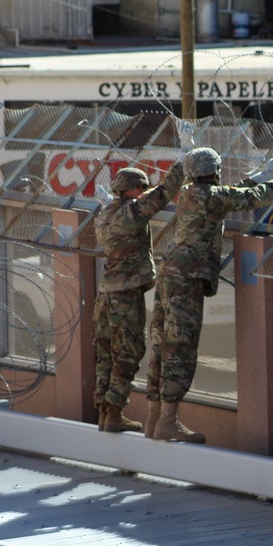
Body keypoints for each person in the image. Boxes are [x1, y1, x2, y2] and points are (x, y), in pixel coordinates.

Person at [144, 147, 273, 442]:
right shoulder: (212, 196)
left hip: (171, 272)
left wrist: (262, 174)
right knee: (180, 347)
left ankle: (154, 419)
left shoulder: (191, 192)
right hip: (188, 278)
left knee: (162, 344)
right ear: (214, 171)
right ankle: (168, 421)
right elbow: (252, 198)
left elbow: (234, 191)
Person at [93, 163, 185, 432]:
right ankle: (114, 413)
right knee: (129, 352)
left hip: (105, 294)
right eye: (142, 188)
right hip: (125, 294)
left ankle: (104, 412)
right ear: (132, 190)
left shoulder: (106, 212)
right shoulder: (132, 211)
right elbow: (166, 192)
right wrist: (182, 161)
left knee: (105, 354)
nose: (145, 192)